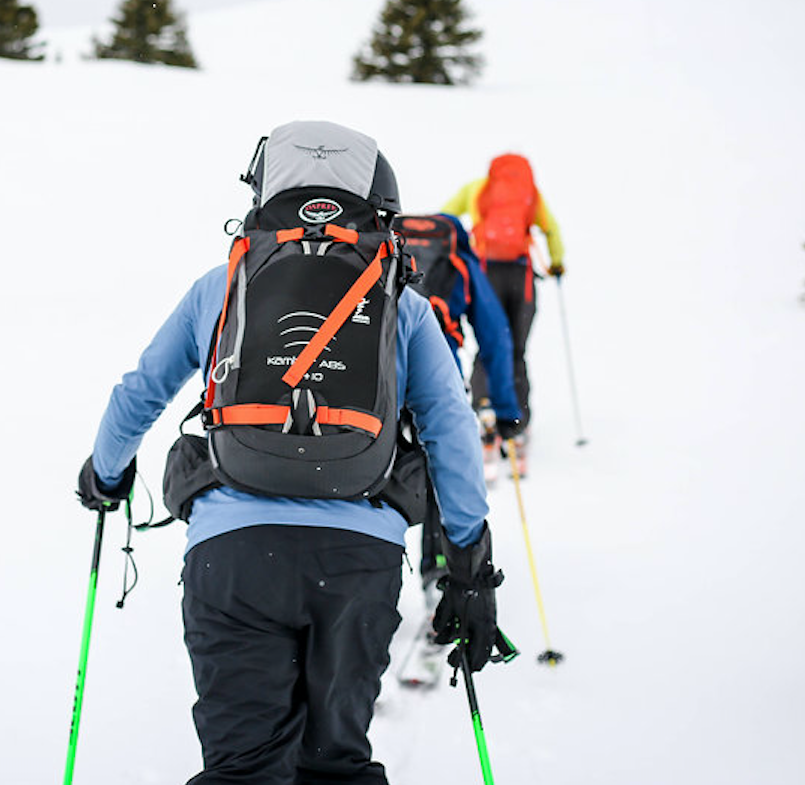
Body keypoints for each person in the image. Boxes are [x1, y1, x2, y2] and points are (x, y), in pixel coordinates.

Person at [76, 120, 504, 785]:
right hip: (360, 560)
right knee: (334, 763)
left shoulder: (221, 288)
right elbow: (450, 429)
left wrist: (105, 476)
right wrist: (469, 566)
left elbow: (141, 393)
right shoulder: (404, 303)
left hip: (234, 554)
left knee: (242, 767)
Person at [394, 211, 522, 590]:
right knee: (440, 462)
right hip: (436, 378)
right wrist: (506, 410)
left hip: (378, 378)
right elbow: (496, 337)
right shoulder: (460, 263)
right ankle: (440, 564)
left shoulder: (386, 254)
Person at [442, 153, 564, 463]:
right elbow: (551, 229)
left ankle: (483, 411)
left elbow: (444, 218)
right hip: (520, 278)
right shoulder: (530, 194)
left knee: (489, 346)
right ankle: (518, 423)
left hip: (484, 276)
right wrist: (556, 264)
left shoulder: (477, 188)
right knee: (516, 350)